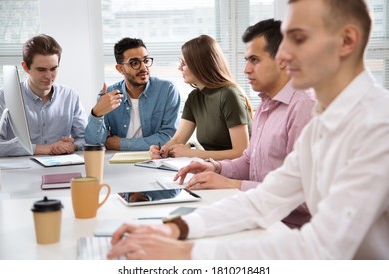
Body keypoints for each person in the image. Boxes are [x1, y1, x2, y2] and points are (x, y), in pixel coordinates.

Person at [107, 0, 389, 260]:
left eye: (299, 39)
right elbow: (265, 199)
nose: (284, 55)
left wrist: (187, 253)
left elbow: (322, 248)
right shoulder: (323, 121)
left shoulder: (377, 124)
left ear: (347, 41)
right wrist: (174, 229)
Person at [174, 19, 315, 229]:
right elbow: (250, 161)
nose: (246, 69)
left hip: (288, 229)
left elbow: (306, 197)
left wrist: (234, 185)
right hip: (257, 214)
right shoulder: (267, 103)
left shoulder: (305, 107)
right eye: (246, 60)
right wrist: (215, 167)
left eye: (255, 60)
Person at [149, 35, 252, 161]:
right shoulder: (194, 97)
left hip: (238, 171)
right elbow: (178, 139)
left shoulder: (230, 95)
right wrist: (163, 150)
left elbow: (241, 152)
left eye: (184, 63)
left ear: (200, 65)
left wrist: (191, 153)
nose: (179, 68)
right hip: (214, 168)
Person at [84, 37, 181, 151]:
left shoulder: (167, 90)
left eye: (146, 60)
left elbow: (168, 138)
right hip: (115, 160)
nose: (144, 67)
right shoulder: (109, 95)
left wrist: (121, 144)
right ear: (120, 69)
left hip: (154, 158)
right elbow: (94, 142)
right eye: (134, 63)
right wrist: (97, 113)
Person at [0, 34, 87, 156]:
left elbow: (85, 139)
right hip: (20, 171)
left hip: (60, 168)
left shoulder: (70, 96)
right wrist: (44, 149)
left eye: (53, 69)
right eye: (41, 70)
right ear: (25, 67)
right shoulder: (4, 97)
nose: (48, 76)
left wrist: (73, 145)